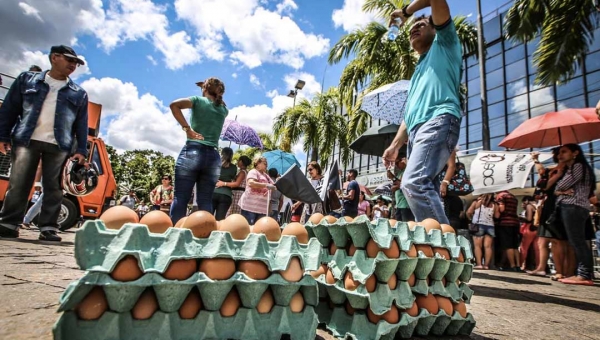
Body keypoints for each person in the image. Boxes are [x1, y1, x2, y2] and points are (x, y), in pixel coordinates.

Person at [382, 0, 462, 225]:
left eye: (422, 24)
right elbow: (410, 115)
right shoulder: (418, 72)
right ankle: (433, 250)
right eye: (411, 28)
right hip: (417, 132)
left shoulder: (445, 45)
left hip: (439, 120)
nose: (414, 28)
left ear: (436, 29)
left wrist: (406, 12)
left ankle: (444, 247)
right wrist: (395, 145)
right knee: (426, 190)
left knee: (413, 182)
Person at [0, 45, 88, 242]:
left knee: (54, 187)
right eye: (69, 60)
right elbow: (9, 109)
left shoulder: (78, 93)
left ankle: (48, 227)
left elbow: (81, 125)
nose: (73, 65)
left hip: (60, 145)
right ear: (54, 57)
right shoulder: (26, 80)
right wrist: (3, 136)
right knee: (19, 182)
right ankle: (8, 223)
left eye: (76, 63)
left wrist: (81, 150)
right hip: (26, 139)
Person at [169, 77, 228, 224]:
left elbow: (174, 105)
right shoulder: (223, 110)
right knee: (205, 200)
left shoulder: (197, 100)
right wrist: (207, 88)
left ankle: (176, 233)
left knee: (181, 197)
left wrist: (187, 129)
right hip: (213, 158)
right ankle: (203, 234)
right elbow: (216, 100)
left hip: (193, 151)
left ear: (205, 89)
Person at [552, 144, 596, 286]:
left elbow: (560, 186)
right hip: (575, 206)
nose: (560, 155)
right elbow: (558, 190)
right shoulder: (573, 168)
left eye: (564, 152)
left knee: (577, 241)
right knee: (576, 240)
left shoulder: (578, 167)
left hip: (573, 206)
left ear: (575, 152)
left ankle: (584, 274)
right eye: (559, 152)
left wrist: (561, 189)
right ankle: (583, 273)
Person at [528, 149, 575, 280]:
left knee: (565, 241)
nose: (560, 157)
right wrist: (536, 160)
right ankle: (558, 271)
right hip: (550, 207)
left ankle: (568, 272)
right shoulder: (550, 171)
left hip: (566, 205)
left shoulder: (573, 171)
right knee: (553, 241)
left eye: (563, 154)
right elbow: (543, 179)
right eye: (558, 155)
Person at [239, 156, 276, 224]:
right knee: (248, 228)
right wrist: (265, 185)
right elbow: (251, 183)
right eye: (264, 163)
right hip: (250, 207)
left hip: (262, 209)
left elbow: (274, 186)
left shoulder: (266, 176)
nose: (266, 165)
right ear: (258, 163)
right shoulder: (253, 172)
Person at [494, 190, 522, 272]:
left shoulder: (501, 196)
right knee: (515, 245)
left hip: (505, 222)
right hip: (515, 222)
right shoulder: (513, 197)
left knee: (508, 245)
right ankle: (518, 265)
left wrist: (497, 206)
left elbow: (502, 209)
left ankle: (512, 265)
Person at [467, 193, 496, 269]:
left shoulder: (477, 202)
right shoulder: (494, 204)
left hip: (478, 225)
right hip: (490, 226)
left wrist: (471, 219)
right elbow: (497, 216)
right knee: (488, 247)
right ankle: (486, 265)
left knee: (477, 246)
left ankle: (479, 264)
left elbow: (469, 212)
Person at [212, 147, 237, 220]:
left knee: (209, 217)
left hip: (213, 192)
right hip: (226, 195)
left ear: (222, 154)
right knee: (220, 219)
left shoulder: (215, 164)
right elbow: (233, 178)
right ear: (231, 156)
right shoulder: (234, 167)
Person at [389, 156, 414, 222]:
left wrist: (393, 178)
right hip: (399, 204)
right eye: (395, 164)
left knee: (406, 226)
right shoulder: (400, 173)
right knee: (399, 225)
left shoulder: (407, 171)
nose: (396, 165)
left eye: (397, 163)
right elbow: (396, 185)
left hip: (406, 204)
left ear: (403, 160)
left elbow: (401, 184)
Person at [518, 196, 539, 271]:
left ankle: (520, 265)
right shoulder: (537, 205)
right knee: (537, 249)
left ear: (527, 200)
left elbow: (529, 219)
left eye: (523, 202)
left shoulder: (529, 206)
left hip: (529, 228)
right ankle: (538, 267)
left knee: (524, 248)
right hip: (537, 228)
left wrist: (521, 218)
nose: (523, 204)